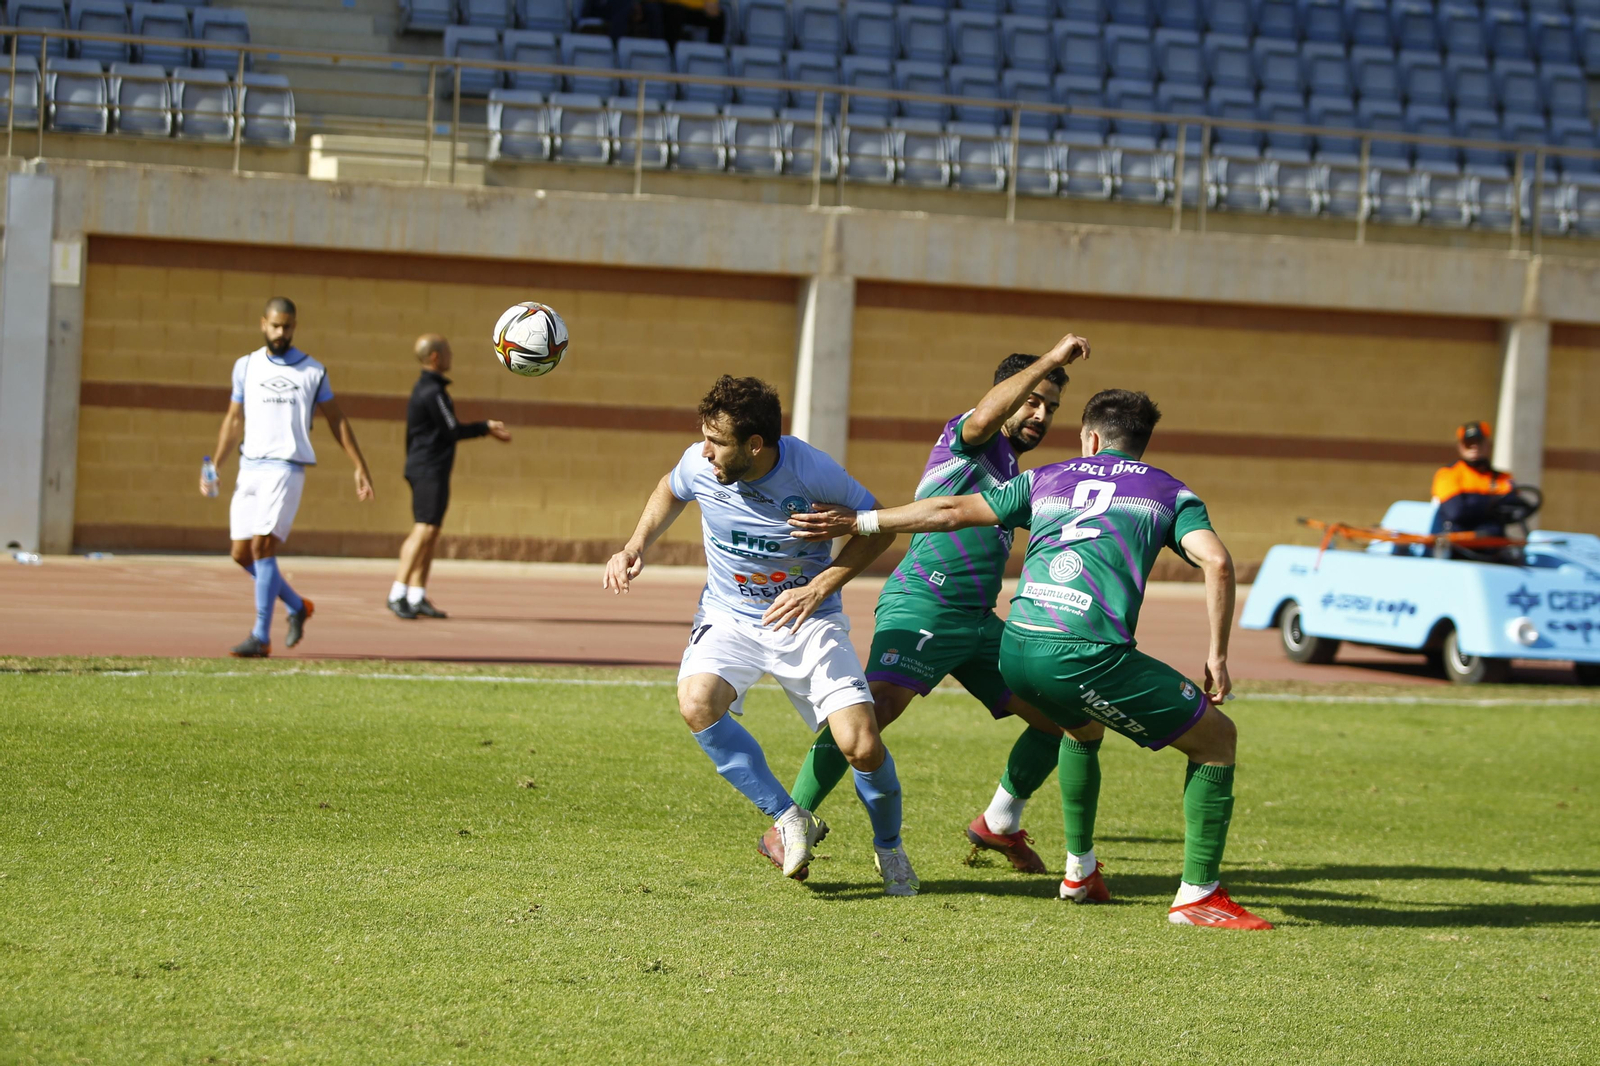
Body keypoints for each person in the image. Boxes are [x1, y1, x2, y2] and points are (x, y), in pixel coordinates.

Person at [790, 389, 1274, 929]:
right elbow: (1219, 562)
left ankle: (1076, 869)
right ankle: (1198, 895)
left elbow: (950, 510)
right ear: (1140, 443)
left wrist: (862, 521)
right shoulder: (1169, 492)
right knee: (1217, 740)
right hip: (1078, 653)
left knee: (1080, 729)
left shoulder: (1047, 477)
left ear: (1090, 437)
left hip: (1015, 646)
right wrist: (1218, 656)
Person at [761, 335, 1094, 885]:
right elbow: (985, 417)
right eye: (1032, 401)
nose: (1040, 415)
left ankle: (999, 822)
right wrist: (1054, 360)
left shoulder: (1019, 473)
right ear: (1007, 395)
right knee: (871, 715)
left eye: (1051, 409)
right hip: (924, 604)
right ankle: (788, 822)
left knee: (1063, 719)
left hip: (978, 622)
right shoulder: (971, 441)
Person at [602, 375, 918, 895]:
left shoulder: (813, 471)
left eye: (716, 442)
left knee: (860, 745)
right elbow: (669, 487)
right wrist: (636, 543)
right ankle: (790, 817)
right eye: (702, 438)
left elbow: (879, 527)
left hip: (806, 619)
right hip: (729, 615)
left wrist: (821, 586)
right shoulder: (698, 464)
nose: (703, 453)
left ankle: (889, 849)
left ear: (755, 445)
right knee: (696, 702)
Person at [203, 297, 375, 658]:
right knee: (241, 554)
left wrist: (359, 464)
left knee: (263, 547)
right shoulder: (245, 366)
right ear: (262, 323)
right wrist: (215, 463)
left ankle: (260, 636)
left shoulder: (313, 371)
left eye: (288, 326)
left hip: (286, 467)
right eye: (275, 325)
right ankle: (297, 605)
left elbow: (336, 419)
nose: (281, 332)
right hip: (250, 466)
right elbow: (234, 419)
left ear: (295, 327)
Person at [389, 335, 512, 620]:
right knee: (423, 529)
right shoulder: (431, 391)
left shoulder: (434, 389)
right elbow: (451, 430)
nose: (451, 356)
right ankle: (397, 592)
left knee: (431, 532)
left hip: (434, 468)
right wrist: (485, 427)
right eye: (447, 352)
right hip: (426, 469)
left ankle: (417, 594)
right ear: (434, 357)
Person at [1431, 420, 1515, 535]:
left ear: (1488, 444)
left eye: (1479, 442)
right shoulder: (1447, 474)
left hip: (1493, 544)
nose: (1474, 447)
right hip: (1458, 544)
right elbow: (1456, 511)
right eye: (1469, 443)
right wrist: (1493, 501)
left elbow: (1514, 508)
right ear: (1460, 446)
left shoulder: (1502, 477)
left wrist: (1472, 501)